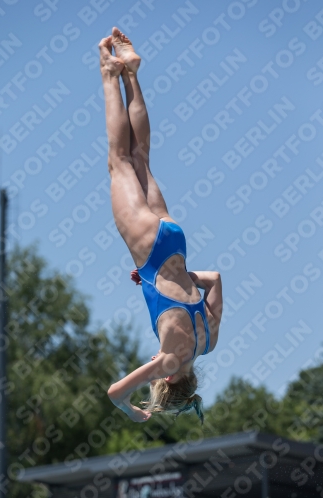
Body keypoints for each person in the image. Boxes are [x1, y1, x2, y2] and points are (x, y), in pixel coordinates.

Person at [99, 28, 223, 424]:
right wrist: (132, 410)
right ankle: (109, 72)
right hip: (150, 247)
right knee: (119, 160)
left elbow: (215, 279)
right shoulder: (171, 360)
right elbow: (114, 392)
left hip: (173, 239)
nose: (155, 360)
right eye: (157, 373)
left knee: (141, 157)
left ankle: (132, 71)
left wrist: (175, 277)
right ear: (167, 378)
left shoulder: (209, 342)